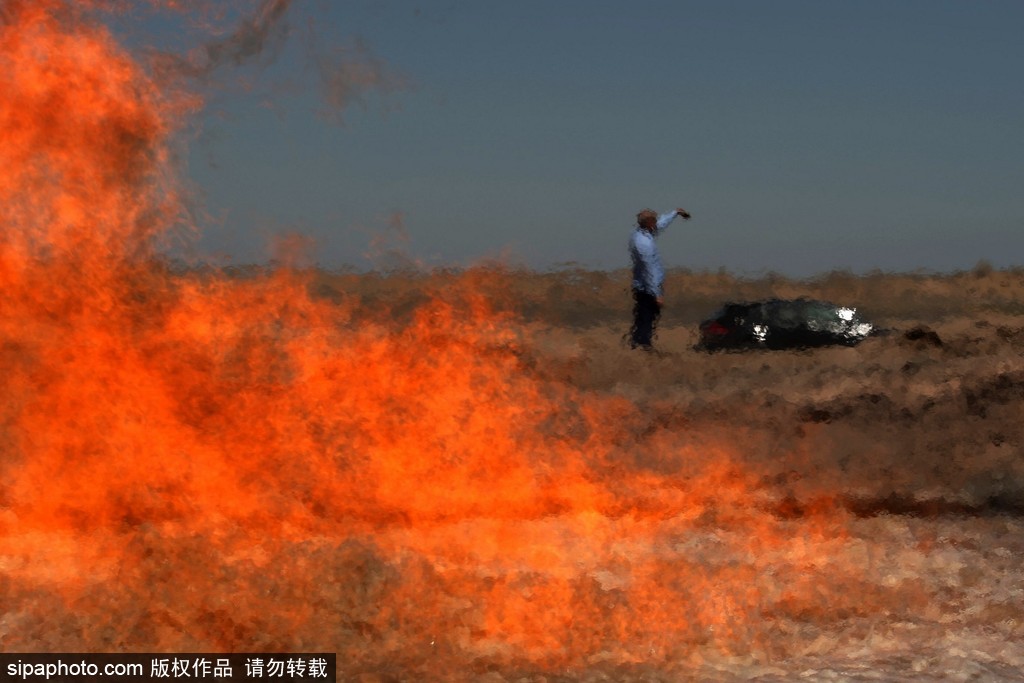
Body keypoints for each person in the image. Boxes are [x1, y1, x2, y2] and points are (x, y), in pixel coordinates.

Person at [628, 207, 691, 350]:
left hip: (646, 286)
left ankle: (639, 343)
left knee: (646, 317)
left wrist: (675, 213)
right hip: (647, 288)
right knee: (646, 318)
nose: (657, 223)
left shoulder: (641, 233)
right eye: (654, 221)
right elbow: (649, 270)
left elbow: (661, 224)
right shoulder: (644, 243)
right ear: (650, 223)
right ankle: (642, 346)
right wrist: (657, 294)